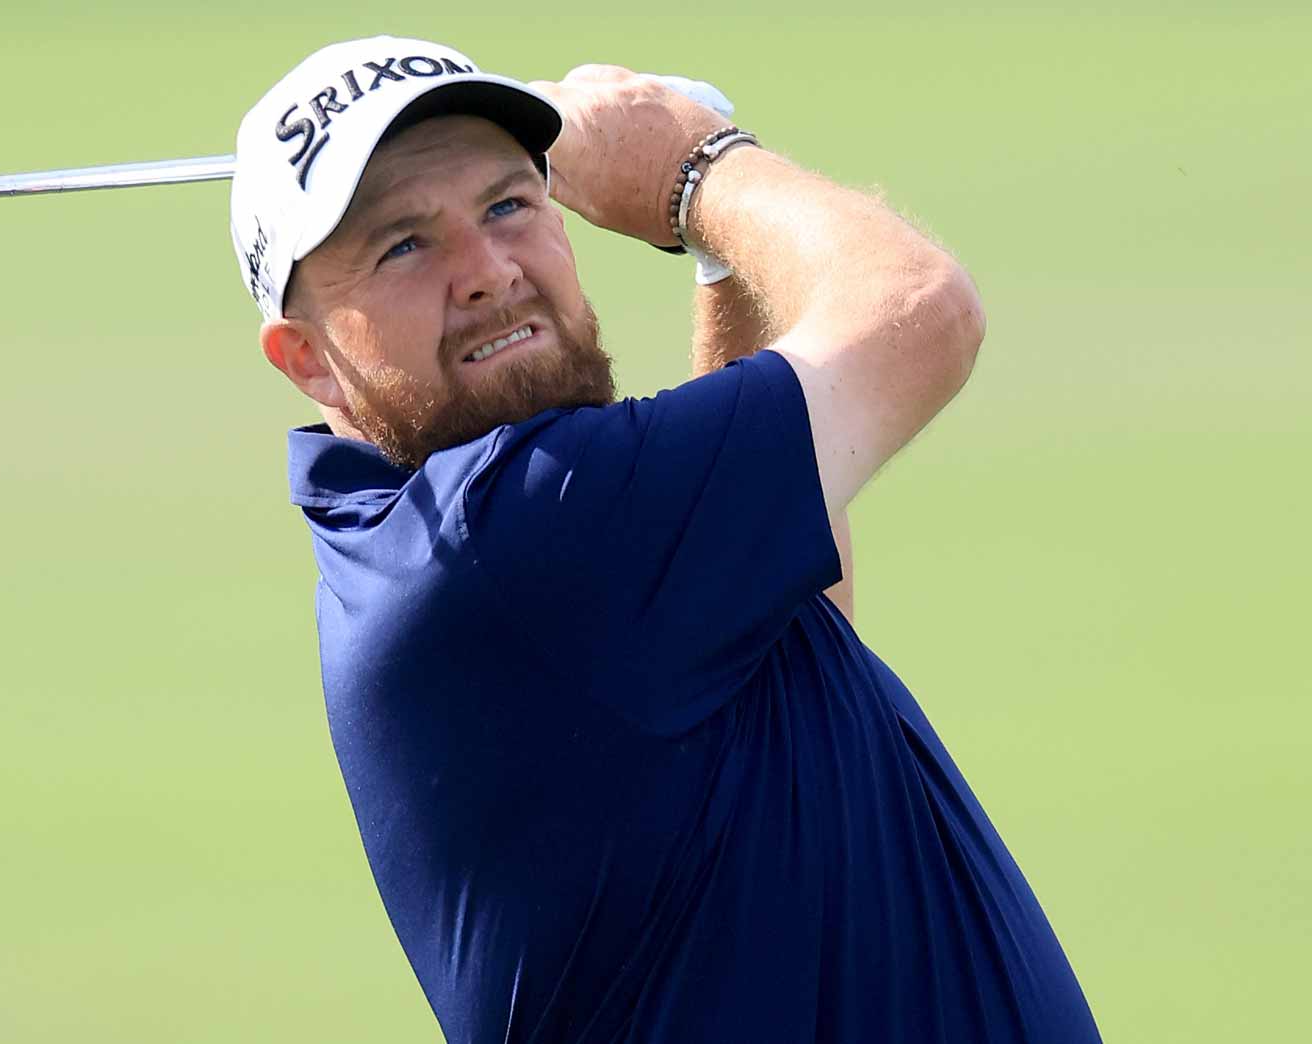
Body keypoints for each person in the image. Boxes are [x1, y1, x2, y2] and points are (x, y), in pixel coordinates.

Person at [229, 35, 1101, 1043]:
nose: (486, 271)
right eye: (402, 246)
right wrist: (698, 167)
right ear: (308, 360)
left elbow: (784, 615)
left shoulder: (475, 541)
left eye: (509, 204)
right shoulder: (508, 533)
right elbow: (921, 310)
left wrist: (718, 256)